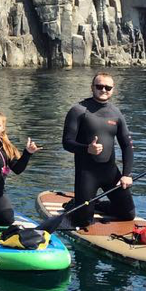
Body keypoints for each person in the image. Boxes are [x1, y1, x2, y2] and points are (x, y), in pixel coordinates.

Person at [61, 72, 135, 227]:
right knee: (84, 221)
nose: (103, 90)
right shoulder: (78, 110)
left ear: (113, 89)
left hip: (111, 173)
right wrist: (87, 149)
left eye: (108, 87)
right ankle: (75, 206)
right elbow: (67, 143)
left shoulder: (116, 113)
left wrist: (126, 175)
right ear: (92, 87)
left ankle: (98, 205)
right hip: (87, 174)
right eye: (99, 86)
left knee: (128, 215)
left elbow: (127, 145)